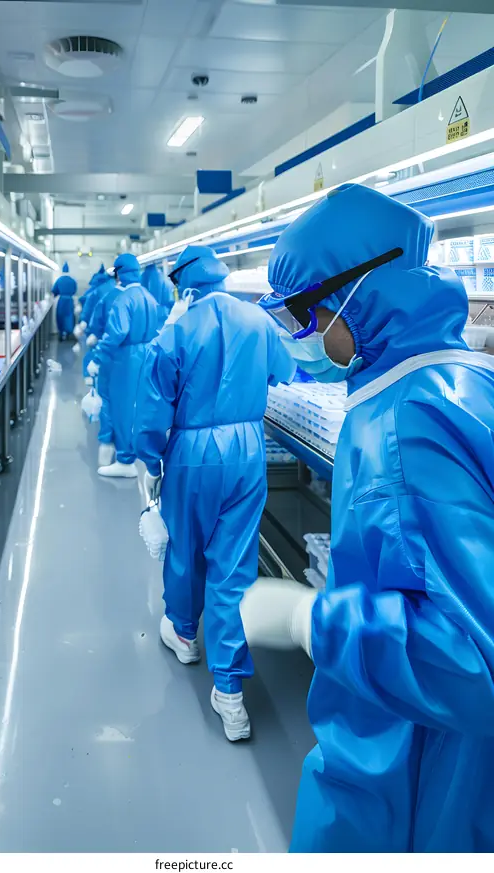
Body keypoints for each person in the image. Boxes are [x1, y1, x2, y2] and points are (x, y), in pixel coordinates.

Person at [240, 182, 494, 852]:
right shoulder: (464, 382)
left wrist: (310, 619)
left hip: (413, 771)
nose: (302, 337)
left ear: (359, 293)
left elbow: (472, 657)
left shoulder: (403, 429)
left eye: (306, 315)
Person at [133, 245, 295, 741]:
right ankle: (229, 694)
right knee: (235, 564)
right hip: (246, 451)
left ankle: (184, 633)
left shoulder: (176, 330)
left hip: (192, 451)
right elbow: (284, 371)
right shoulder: (257, 319)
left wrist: (155, 463)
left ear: (183, 283)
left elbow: (152, 409)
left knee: (185, 549)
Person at [95, 253, 159, 478]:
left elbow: (117, 332)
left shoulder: (124, 299)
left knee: (122, 407)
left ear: (119, 274)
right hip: (146, 354)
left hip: (126, 358)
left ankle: (125, 460)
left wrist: (97, 357)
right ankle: (134, 453)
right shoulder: (149, 297)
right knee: (137, 406)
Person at [84, 272, 121, 466]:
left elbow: (111, 332)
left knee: (106, 399)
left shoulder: (106, 296)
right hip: (135, 361)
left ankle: (107, 445)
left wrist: (96, 357)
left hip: (111, 357)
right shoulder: (142, 297)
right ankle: (126, 457)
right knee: (128, 404)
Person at [142, 263, 174, 329]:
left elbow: (154, 297)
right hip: (163, 312)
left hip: (156, 313)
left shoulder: (152, 276)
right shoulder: (161, 276)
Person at [51, 262, 77, 339]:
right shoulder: (72, 280)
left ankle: (61, 333)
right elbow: (75, 290)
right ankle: (69, 333)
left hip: (61, 301)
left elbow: (54, 290)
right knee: (69, 316)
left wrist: (56, 294)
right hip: (69, 301)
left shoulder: (59, 280)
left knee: (60, 316)